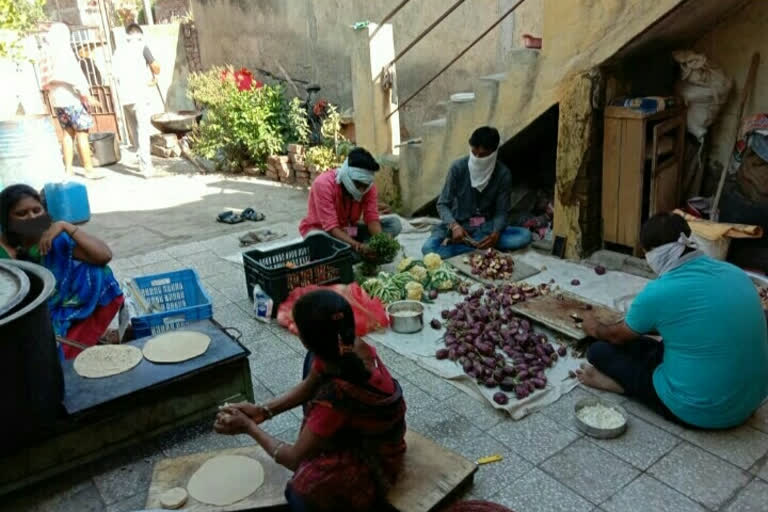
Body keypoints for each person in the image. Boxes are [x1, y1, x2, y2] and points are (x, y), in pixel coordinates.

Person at [215, 290, 407, 512]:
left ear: (304, 340)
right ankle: (322, 437)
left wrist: (248, 427)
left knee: (300, 492)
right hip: (374, 427)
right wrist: (263, 411)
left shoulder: (334, 398)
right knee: (312, 363)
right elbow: (313, 380)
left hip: (378, 462)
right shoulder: (350, 346)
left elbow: (293, 459)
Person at [577, 212, 768, 429]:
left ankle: (622, 386)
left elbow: (615, 336)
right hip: (751, 400)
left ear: (654, 253)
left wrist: (594, 327)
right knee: (658, 345)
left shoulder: (660, 292)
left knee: (599, 351)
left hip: (704, 411)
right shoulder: (734, 272)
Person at [0, 185, 123, 359]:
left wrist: (66, 226)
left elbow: (103, 256)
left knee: (98, 274)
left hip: (56, 305)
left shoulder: (51, 237)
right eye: (21, 214)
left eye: (37, 210)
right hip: (18, 316)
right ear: (6, 219)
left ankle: (88, 337)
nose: (32, 218)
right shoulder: (3, 252)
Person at [422, 126, 531, 258]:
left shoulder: (503, 174)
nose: (477, 158)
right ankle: (477, 249)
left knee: (524, 236)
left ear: (494, 152)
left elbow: (501, 212)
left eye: (483, 155)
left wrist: (496, 233)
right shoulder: (458, 168)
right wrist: (454, 226)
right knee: (428, 249)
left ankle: (468, 248)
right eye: (474, 153)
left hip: (486, 229)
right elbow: (442, 204)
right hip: (459, 227)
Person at [298, 147, 402, 259]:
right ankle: (354, 252)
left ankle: (357, 252)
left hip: (349, 230)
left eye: (365, 186)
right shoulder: (323, 185)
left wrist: (381, 243)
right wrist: (358, 246)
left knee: (394, 224)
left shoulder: (369, 188)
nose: (361, 191)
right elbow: (332, 228)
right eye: (358, 184)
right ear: (346, 176)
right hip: (324, 232)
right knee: (317, 240)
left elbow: (372, 219)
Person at [40, 23, 103, 180]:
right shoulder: (64, 53)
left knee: (67, 134)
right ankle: (88, 169)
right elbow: (75, 79)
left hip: (58, 101)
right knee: (82, 133)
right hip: (72, 99)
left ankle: (68, 169)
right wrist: (87, 96)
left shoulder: (48, 54)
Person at [112, 23, 160, 177]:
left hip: (125, 97)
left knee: (135, 132)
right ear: (139, 34)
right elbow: (156, 66)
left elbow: (114, 74)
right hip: (140, 95)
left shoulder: (118, 50)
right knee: (143, 131)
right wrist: (154, 76)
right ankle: (146, 168)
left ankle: (141, 163)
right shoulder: (142, 45)